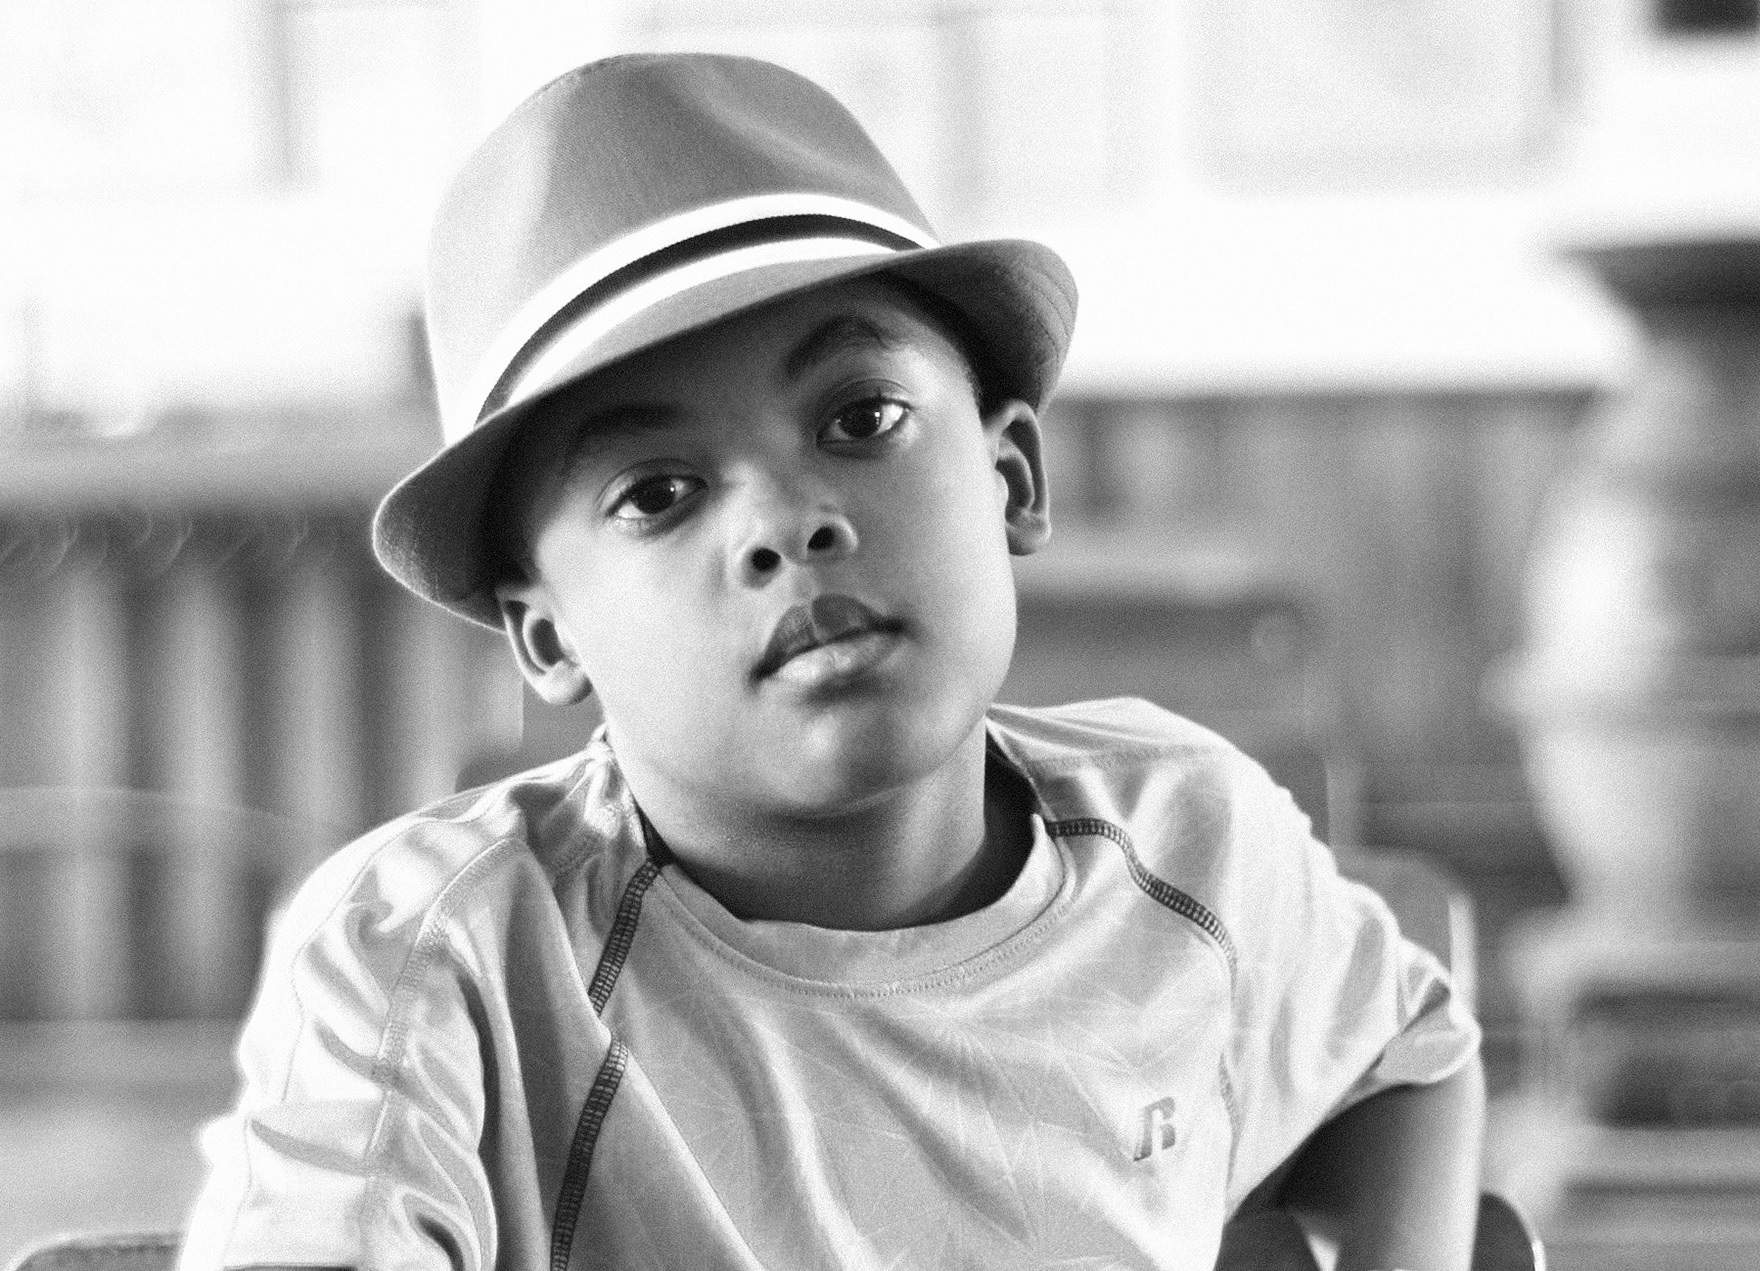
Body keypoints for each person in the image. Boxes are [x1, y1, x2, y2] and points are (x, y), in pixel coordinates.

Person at [180, 52, 1483, 1271]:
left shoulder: (1195, 848)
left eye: (862, 419)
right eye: (658, 492)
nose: (784, 523)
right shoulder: (436, 965)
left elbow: (1409, 1055)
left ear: (1012, 476)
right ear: (546, 633)